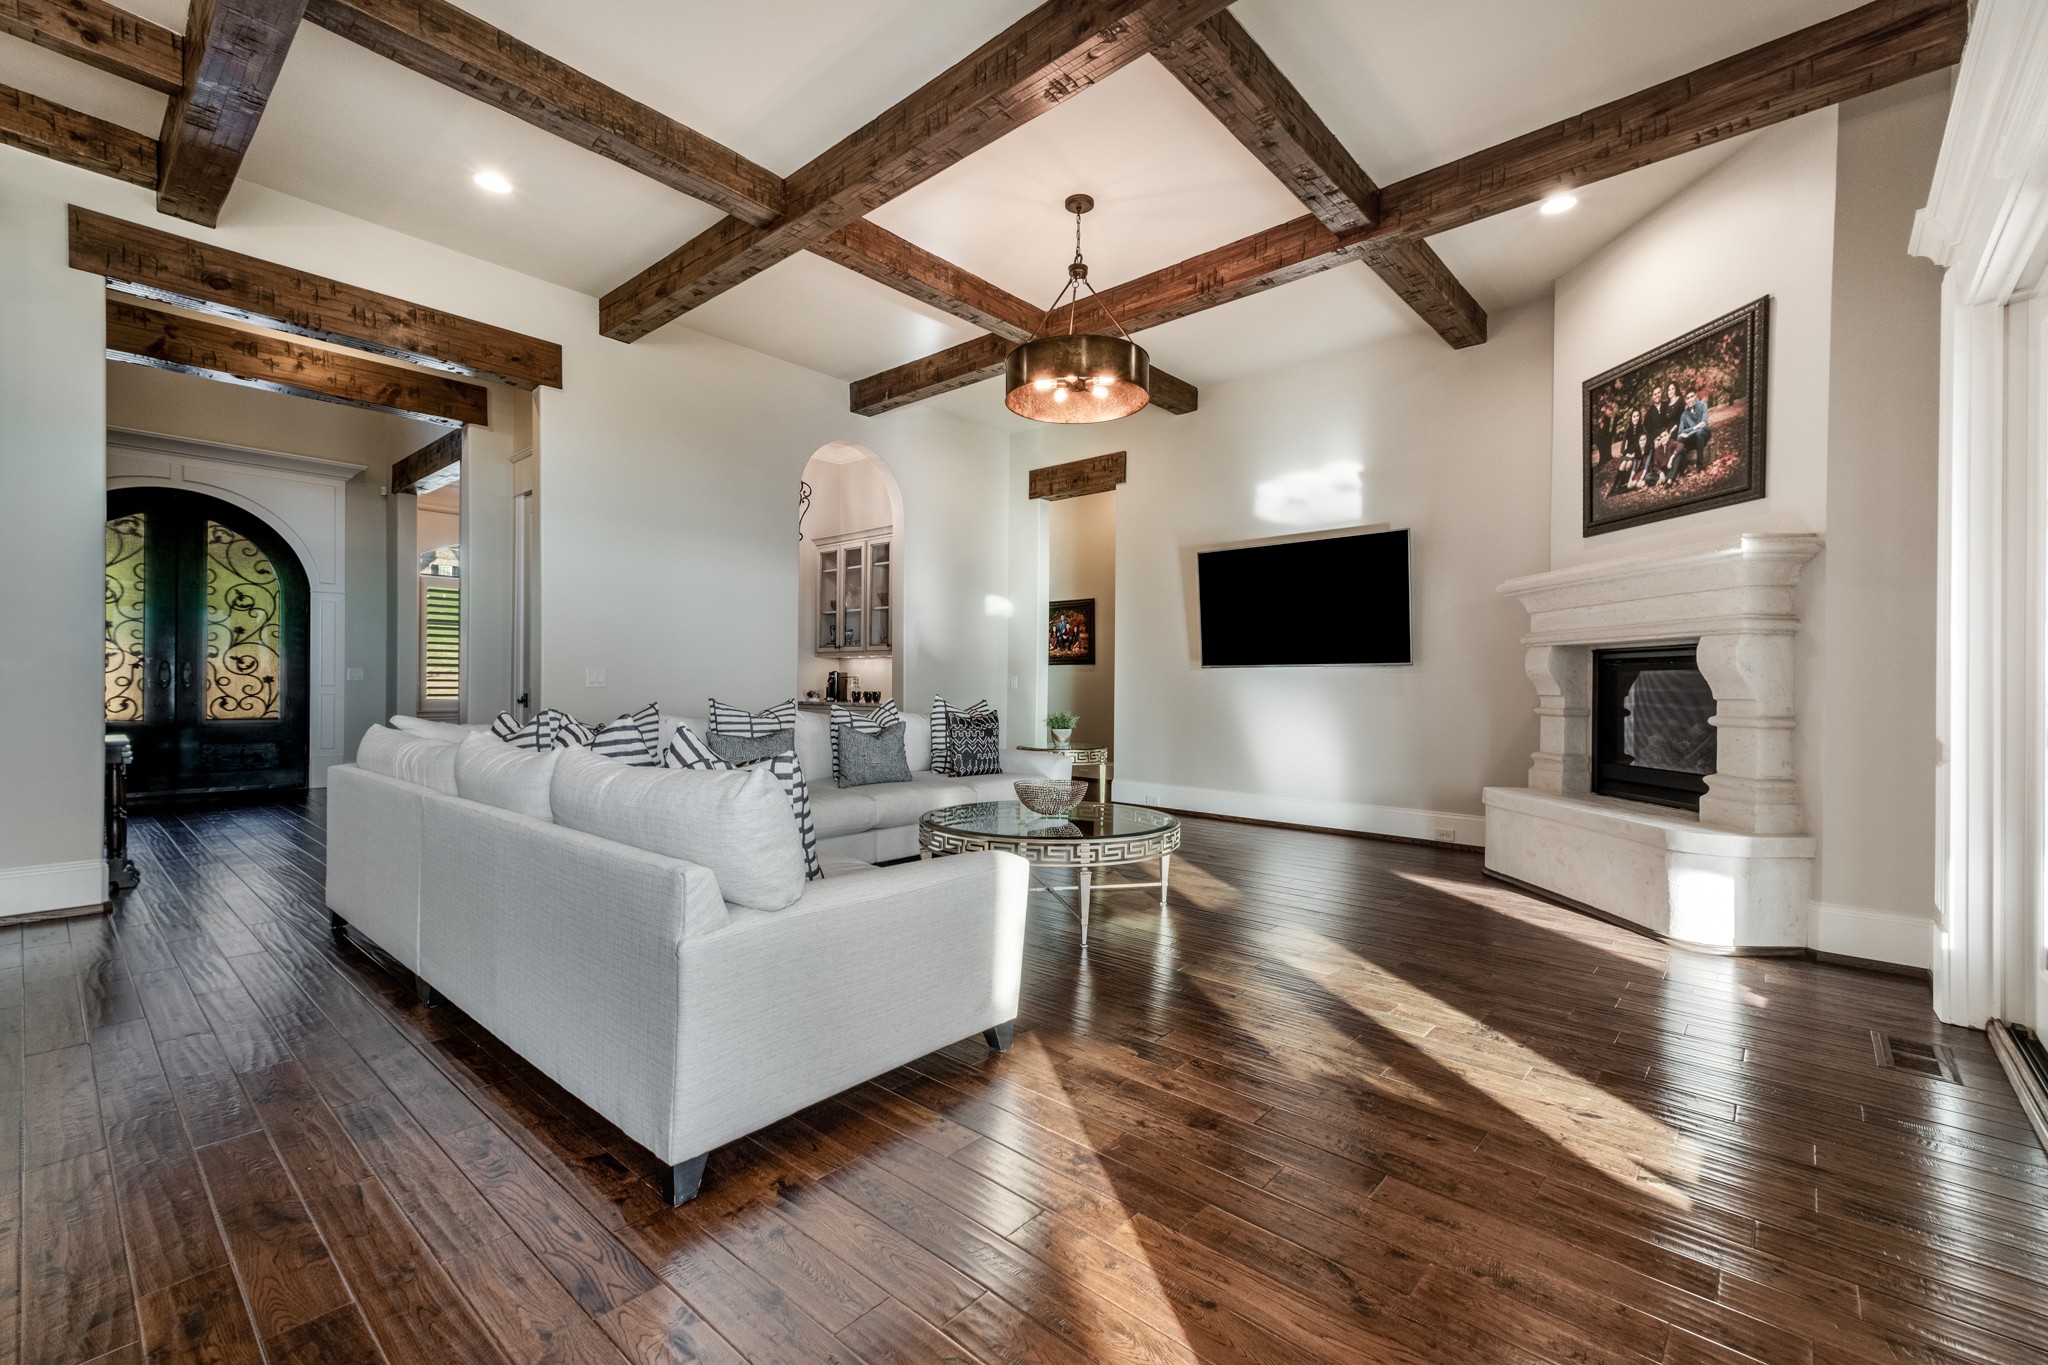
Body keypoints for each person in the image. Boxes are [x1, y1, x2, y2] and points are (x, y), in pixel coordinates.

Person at [1676, 387, 1711, 478]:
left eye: (1692, 396)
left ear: (1695, 396)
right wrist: (1694, 428)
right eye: (1688, 398)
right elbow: (1680, 432)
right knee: (1679, 439)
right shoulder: (1684, 415)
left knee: (1699, 432)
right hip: (1692, 437)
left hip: (1704, 433)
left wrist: (1687, 432)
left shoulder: (1703, 405)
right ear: (1685, 401)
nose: (1690, 399)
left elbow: (1704, 423)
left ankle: (1700, 465)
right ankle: (1683, 468)